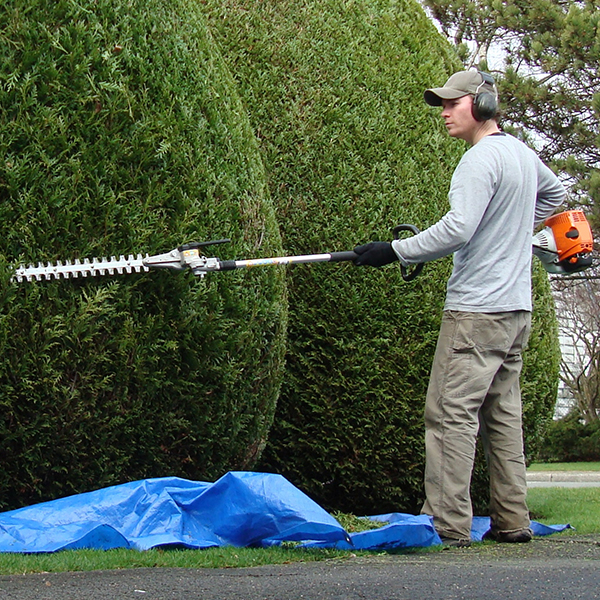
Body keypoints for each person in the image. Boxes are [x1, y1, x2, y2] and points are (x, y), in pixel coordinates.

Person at [353, 69, 566, 547]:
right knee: (502, 415)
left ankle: (447, 525)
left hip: (476, 312)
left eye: (454, 103)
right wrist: (510, 228)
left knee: (450, 413)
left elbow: (458, 229)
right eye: (442, 105)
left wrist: (395, 250)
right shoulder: (521, 154)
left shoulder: (479, 159)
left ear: (483, 104)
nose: (445, 112)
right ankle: (513, 521)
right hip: (516, 313)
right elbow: (556, 196)